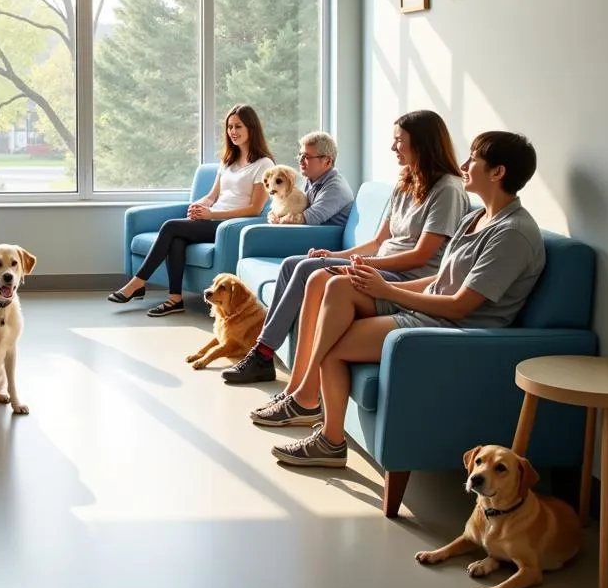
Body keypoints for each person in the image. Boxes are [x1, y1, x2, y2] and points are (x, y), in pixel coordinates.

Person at [263, 131, 545, 469]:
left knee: (334, 347)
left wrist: (389, 291)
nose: (465, 165)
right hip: (428, 306)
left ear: (497, 172)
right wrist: (377, 282)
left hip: (451, 327)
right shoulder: (476, 217)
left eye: (474, 159)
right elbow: (441, 280)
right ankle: (307, 399)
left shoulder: (511, 233)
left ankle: (329, 439)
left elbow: (460, 305)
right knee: (337, 285)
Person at [225, 109, 468, 387]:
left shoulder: (447, 189)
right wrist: (336, 256)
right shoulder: (405, 182)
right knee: (294, 262)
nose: (392, 147)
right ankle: (264, 352)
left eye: (399, 140)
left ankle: (263, 355)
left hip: (406, 279)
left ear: (423, 143)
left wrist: (363, 265)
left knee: (305, 268)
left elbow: (420, 256)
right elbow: (378, 242)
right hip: (378, 267)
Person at [107, 104, 275, 318]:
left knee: (170, 227)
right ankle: (174, 299)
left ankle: (137, 283)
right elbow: (213, 196)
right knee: (177, 239)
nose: (232, 131)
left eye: (238, 126)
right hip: (211, 218)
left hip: (226, 225)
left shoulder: (263, 164)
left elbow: (255, 209)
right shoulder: (228, 161)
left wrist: (211, 215)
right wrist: (199, 205)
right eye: (229, 127)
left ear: (251, 128)